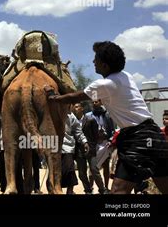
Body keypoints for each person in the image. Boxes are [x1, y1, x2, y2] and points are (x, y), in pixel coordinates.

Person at [46, 41, 168, 194]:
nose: (93, 62)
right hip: (156, 136)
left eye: (96, 59)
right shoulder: (126, 76)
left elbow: (75, 97)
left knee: (118, 191)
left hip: (137, 139)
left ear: (104, 66)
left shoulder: (104, 84)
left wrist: (54, 97)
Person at [84, 99, 114, 192]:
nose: (94, 103)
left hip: (105, 143)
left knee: (105, 166)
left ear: (101, 102)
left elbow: (112, 130)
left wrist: (110, 139)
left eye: (96, 101)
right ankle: (91, 187)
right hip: (93, 144)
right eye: (92, 102)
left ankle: (106, 187)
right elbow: (84, 130)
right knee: (93, 166)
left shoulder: (107, 115)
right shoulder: (88, 116)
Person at [62, 108, 89, 194]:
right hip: (53, 147)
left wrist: (85, 142)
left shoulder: (70, 116)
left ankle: (69, 192)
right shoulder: (50, 113)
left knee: (69, 170)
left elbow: (78, 131)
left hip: (67, 147)